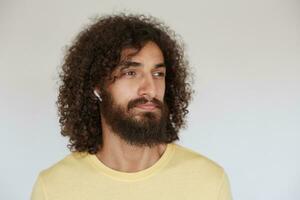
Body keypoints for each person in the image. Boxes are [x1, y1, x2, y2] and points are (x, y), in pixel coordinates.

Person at [31, 13, 232, 200]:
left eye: (158, 74)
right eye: (131, 73)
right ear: (97, 86)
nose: (150, 90)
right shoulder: (54, 188)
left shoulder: (208, 183)